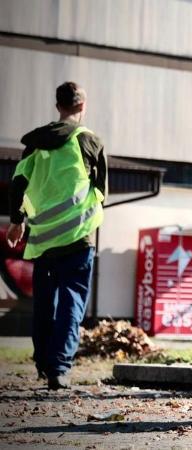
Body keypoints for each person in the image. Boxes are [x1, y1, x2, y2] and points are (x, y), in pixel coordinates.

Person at [7, 82, 107, 390]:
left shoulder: (36, 144)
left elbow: (18, 182)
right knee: (71, 304)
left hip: (43, 242)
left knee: (45, 304)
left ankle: (44, 362)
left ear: (58, 106)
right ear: (82, 106)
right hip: (78, 239)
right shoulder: (89, 141)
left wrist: (17, 221)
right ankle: (59, 369)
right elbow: (101, 191)